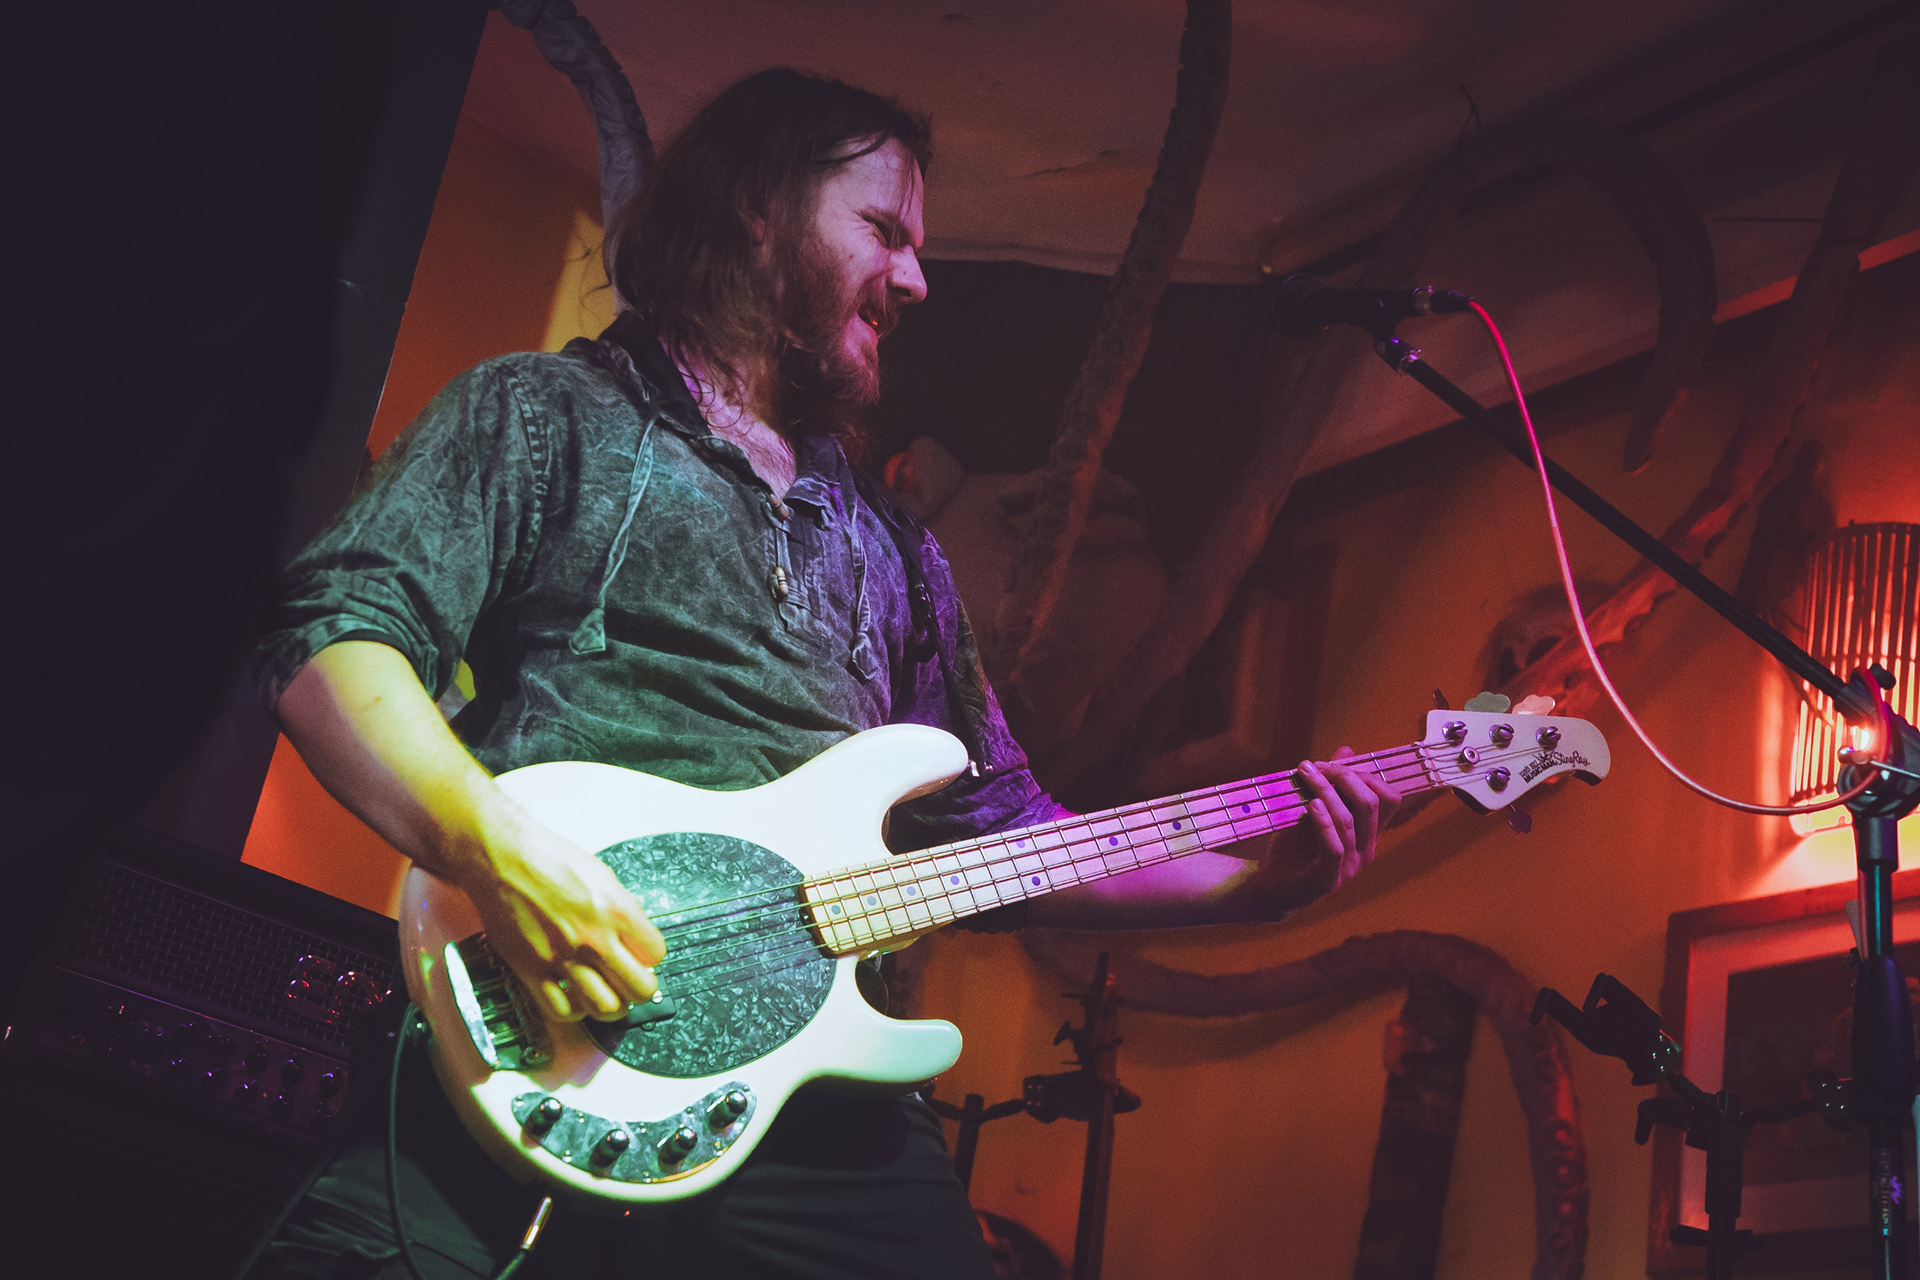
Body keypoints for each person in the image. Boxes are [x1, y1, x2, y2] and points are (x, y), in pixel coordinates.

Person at [248, 68, 1399, 1280]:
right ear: (759, 211)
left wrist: (1256, 885)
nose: (916, 278)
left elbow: (1007, 834)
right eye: (885, 229)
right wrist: (498, 851)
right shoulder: (546, 415)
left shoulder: (892, 545)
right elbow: (331, 639)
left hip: (812, 1092)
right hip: (543, 1022)